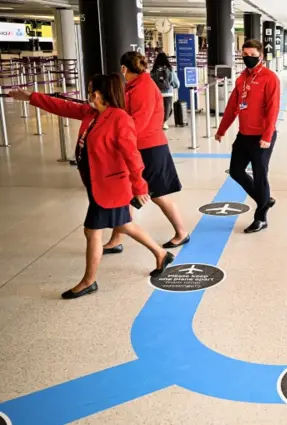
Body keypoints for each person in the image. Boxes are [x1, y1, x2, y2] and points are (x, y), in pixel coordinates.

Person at [8, 75, 174, 299]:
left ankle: (89, 281)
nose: (87, 94)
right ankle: (161, 254)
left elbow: (133, 157)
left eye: (89, 90)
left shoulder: (119, 119)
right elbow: (63, 106)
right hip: (98, 184)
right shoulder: (92, 113)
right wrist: (32, 97)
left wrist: (140, 187)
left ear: (97, 94)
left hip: (111, 187)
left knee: (92, 231)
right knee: (124, 224)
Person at [103, 51, 189, 255]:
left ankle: (182, 232)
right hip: (141, 147)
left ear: (124, 68)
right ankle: (116, 239)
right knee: (131, 193)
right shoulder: (134, 86)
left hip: (150, 148)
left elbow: (138, 122)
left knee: (156, 194)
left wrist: (118, 136)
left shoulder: (143, 88)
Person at [215, 39, 280, 234]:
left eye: (252, 56)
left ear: (261, 56)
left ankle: (261, 218)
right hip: (243, 135)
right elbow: (232, 106)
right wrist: (222, 129)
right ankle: (264, 200)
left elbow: (273, 109)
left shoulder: (270, 78)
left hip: (262, 136)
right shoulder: (241, 78)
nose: (248, 59)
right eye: (245, 55)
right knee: (235, 171)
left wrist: (267, 136)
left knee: (260, 176)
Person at [150, 52, 180, 130]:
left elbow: (151, 82)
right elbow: (175, 82)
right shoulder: (169, 69)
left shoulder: (153, 71)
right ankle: (163, 123)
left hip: (156, 93)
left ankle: (159, 123)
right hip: (168, 93)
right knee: (168, 110)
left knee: (158, 109)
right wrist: (176, 86)